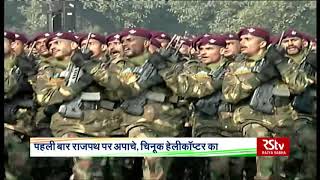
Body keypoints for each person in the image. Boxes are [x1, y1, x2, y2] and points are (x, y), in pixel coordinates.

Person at [221, 27, 296, 179]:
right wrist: (258, 77)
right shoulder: (236, 66)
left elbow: (299, 85)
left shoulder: (285, 62)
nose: (242, 42)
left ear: (262, 44)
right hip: (253, 120)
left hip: (281, 122)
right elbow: (230, 94)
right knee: (265, 166)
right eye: (241, 39)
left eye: (247, 39)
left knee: (280, 171)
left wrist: (280, 64)